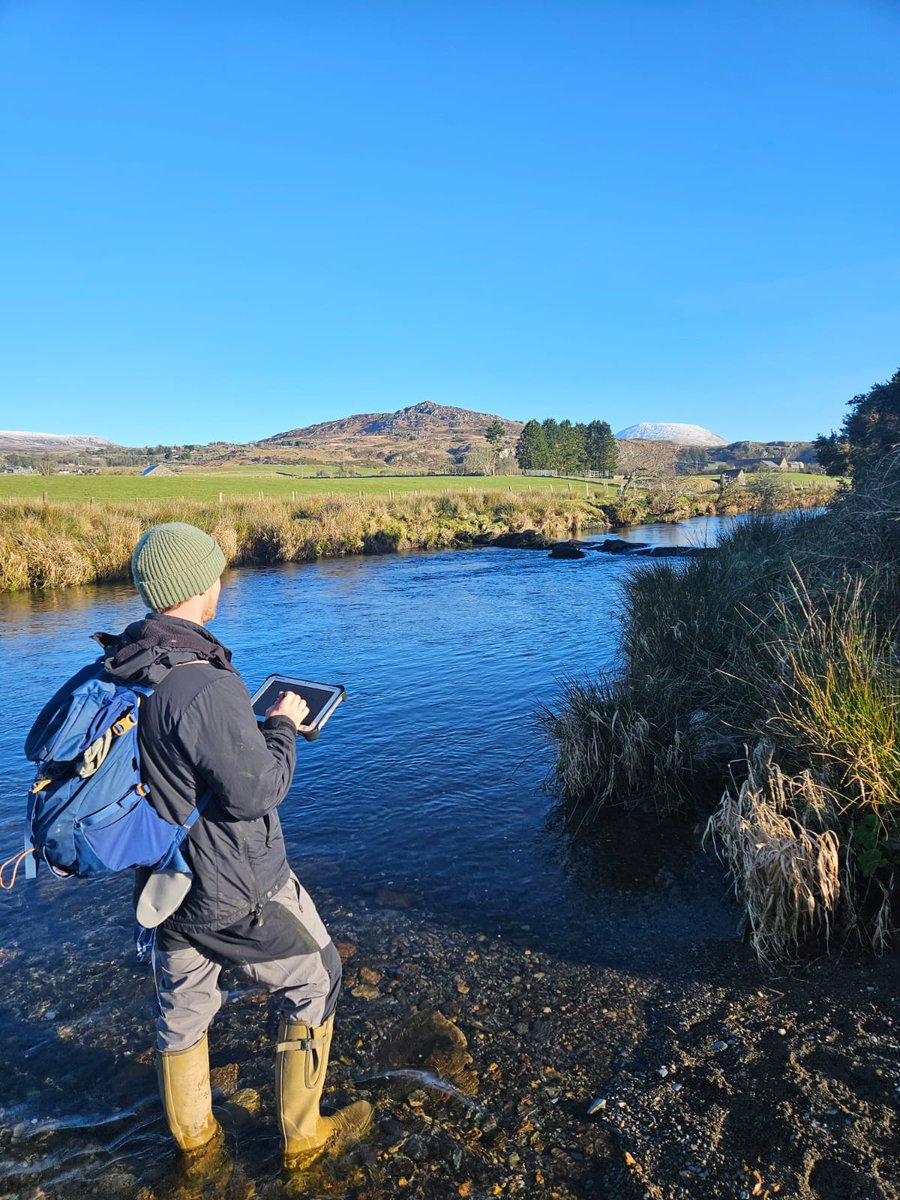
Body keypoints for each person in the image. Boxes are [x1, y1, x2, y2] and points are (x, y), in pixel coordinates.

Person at [97, 521, 372, 1167]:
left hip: (164, 880)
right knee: (317, 980)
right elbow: (255, 793)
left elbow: (175, 756)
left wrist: (236, 734)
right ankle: (304, 1139)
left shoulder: (126, 660)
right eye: (217, 572)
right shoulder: (205, 682)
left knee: (183, 1009)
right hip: (233, 885)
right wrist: (279, 727)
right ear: (200, 584)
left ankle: (197, 1145)